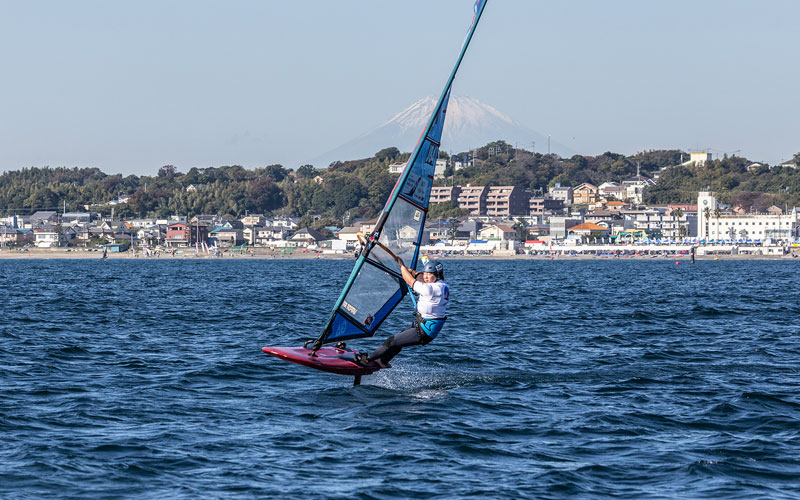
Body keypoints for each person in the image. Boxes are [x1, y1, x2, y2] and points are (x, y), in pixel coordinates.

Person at [355, 258, 449, 368]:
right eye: (426, 274)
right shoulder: (442, 285)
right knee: (398, 341)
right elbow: (421, 279)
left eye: (430, 274)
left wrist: (402, 266)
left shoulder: (431, 289)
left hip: (425, 330)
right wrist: (414, 272)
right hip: (423, 325)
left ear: (437, 275)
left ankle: (366, 360)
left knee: (391, 341)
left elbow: (410, 281)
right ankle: (382, 361)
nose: (426, 277)